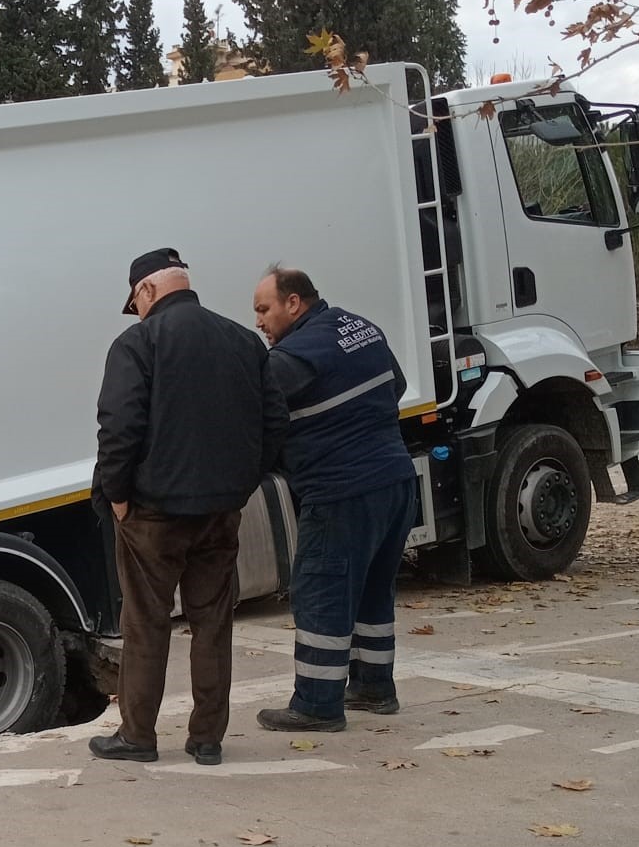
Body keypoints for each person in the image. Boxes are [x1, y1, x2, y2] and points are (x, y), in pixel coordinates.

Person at [90, 248, 288, 766]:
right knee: (213, 622)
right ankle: (206, 739)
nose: (138, 312)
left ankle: (137, 737)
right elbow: (274, 424)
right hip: (221, 511)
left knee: (145, 622)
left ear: (148, 291)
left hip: (151, 515)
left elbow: (119, 428)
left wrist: (117, 496)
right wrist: (241, 485)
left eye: (136, 301)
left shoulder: (138, 343)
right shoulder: (243, 341)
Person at [251, 265, 418, 732]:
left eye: (264, 310)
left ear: (293, 303)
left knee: (320, 591)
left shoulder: (295, 354)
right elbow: (397, 387)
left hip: (341, 491)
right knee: (370, 591)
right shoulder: (360, 328)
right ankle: (374, 687)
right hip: (396, 482)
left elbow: (256, 410)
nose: (259, 322)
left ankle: (318, 704)